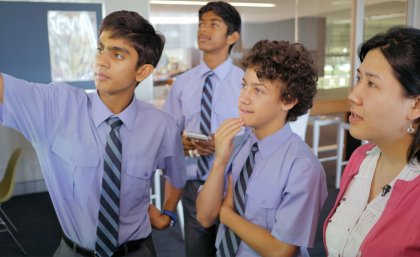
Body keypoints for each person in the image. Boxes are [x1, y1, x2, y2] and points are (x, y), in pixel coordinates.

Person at [0, 11, 186, 257]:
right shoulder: (55, 107)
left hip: (139, 250)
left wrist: (167, 214)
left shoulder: (161, 125)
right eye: (101, 49)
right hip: (73, 250)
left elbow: (177, 175)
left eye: (117, 54)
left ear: (142, 72)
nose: (102, 61)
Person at [196, 39, 328, 257]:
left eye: (257, 91)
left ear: (287, 101)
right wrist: (219, 161)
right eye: (244, 85)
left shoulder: (303, 167)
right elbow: (204, 216)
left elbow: (281, 250)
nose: (243, 99)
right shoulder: (238, 145)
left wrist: (228, 215)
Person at [323, 26, 420, 257]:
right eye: (359, 79)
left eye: (372, 84)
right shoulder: (361, 158)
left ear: (415, 105)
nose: (353, 95)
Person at [163, 1, 243, 256]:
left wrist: (225, 145)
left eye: (213, 24)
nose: (203, 30)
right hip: (193, 181)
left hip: (236, 182)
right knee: (197, 251)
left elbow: (256, 133)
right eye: (201, 24)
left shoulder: (246, 83)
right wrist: (181, 142)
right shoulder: (182, 83)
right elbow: (169, 132)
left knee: (236, 249)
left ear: (232, 36)